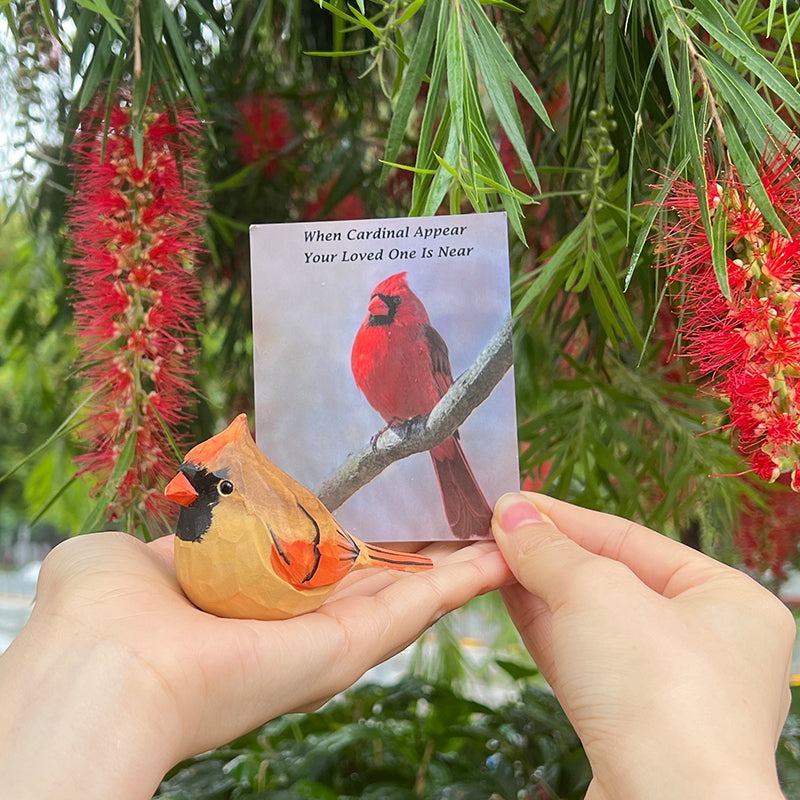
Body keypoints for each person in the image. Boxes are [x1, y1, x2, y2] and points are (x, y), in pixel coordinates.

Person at [0, 492, 793, 799]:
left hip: (343, 563)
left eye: (205, 491)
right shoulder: (206, 539)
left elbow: (324, 557)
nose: (183, 501)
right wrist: (104, 660)